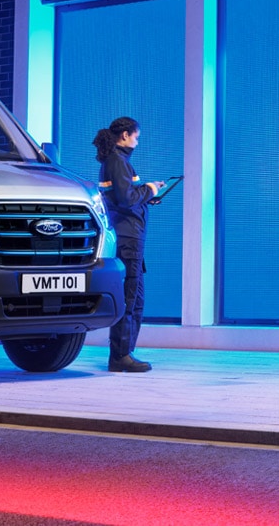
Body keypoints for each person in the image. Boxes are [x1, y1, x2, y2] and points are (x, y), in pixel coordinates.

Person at [95, 116, 164, 373]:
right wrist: (151, 189)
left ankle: (125, 353)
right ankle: (120, 356)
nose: (137, 140)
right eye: (136, 135)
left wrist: (145, 197)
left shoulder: (117, 161)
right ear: (124, 135)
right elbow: (126, 199)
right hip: (128, 238)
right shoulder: (118, 161)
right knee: (129, 298)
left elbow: (125, 198)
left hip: (130, 237)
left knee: (136, 298)